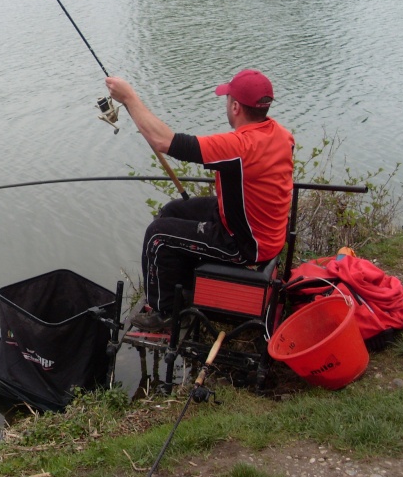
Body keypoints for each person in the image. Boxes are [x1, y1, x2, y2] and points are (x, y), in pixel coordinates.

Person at [105, 70, 295, 330]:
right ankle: (183, 284)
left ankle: (166, 314)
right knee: (173, 210)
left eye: (227, 99)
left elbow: (164, 141)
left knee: (157, 235)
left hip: (246, 244)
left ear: (236, 106)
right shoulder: (281, 134)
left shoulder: (239, 146)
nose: (226, 103)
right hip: (262, 229)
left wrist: (129, 98)